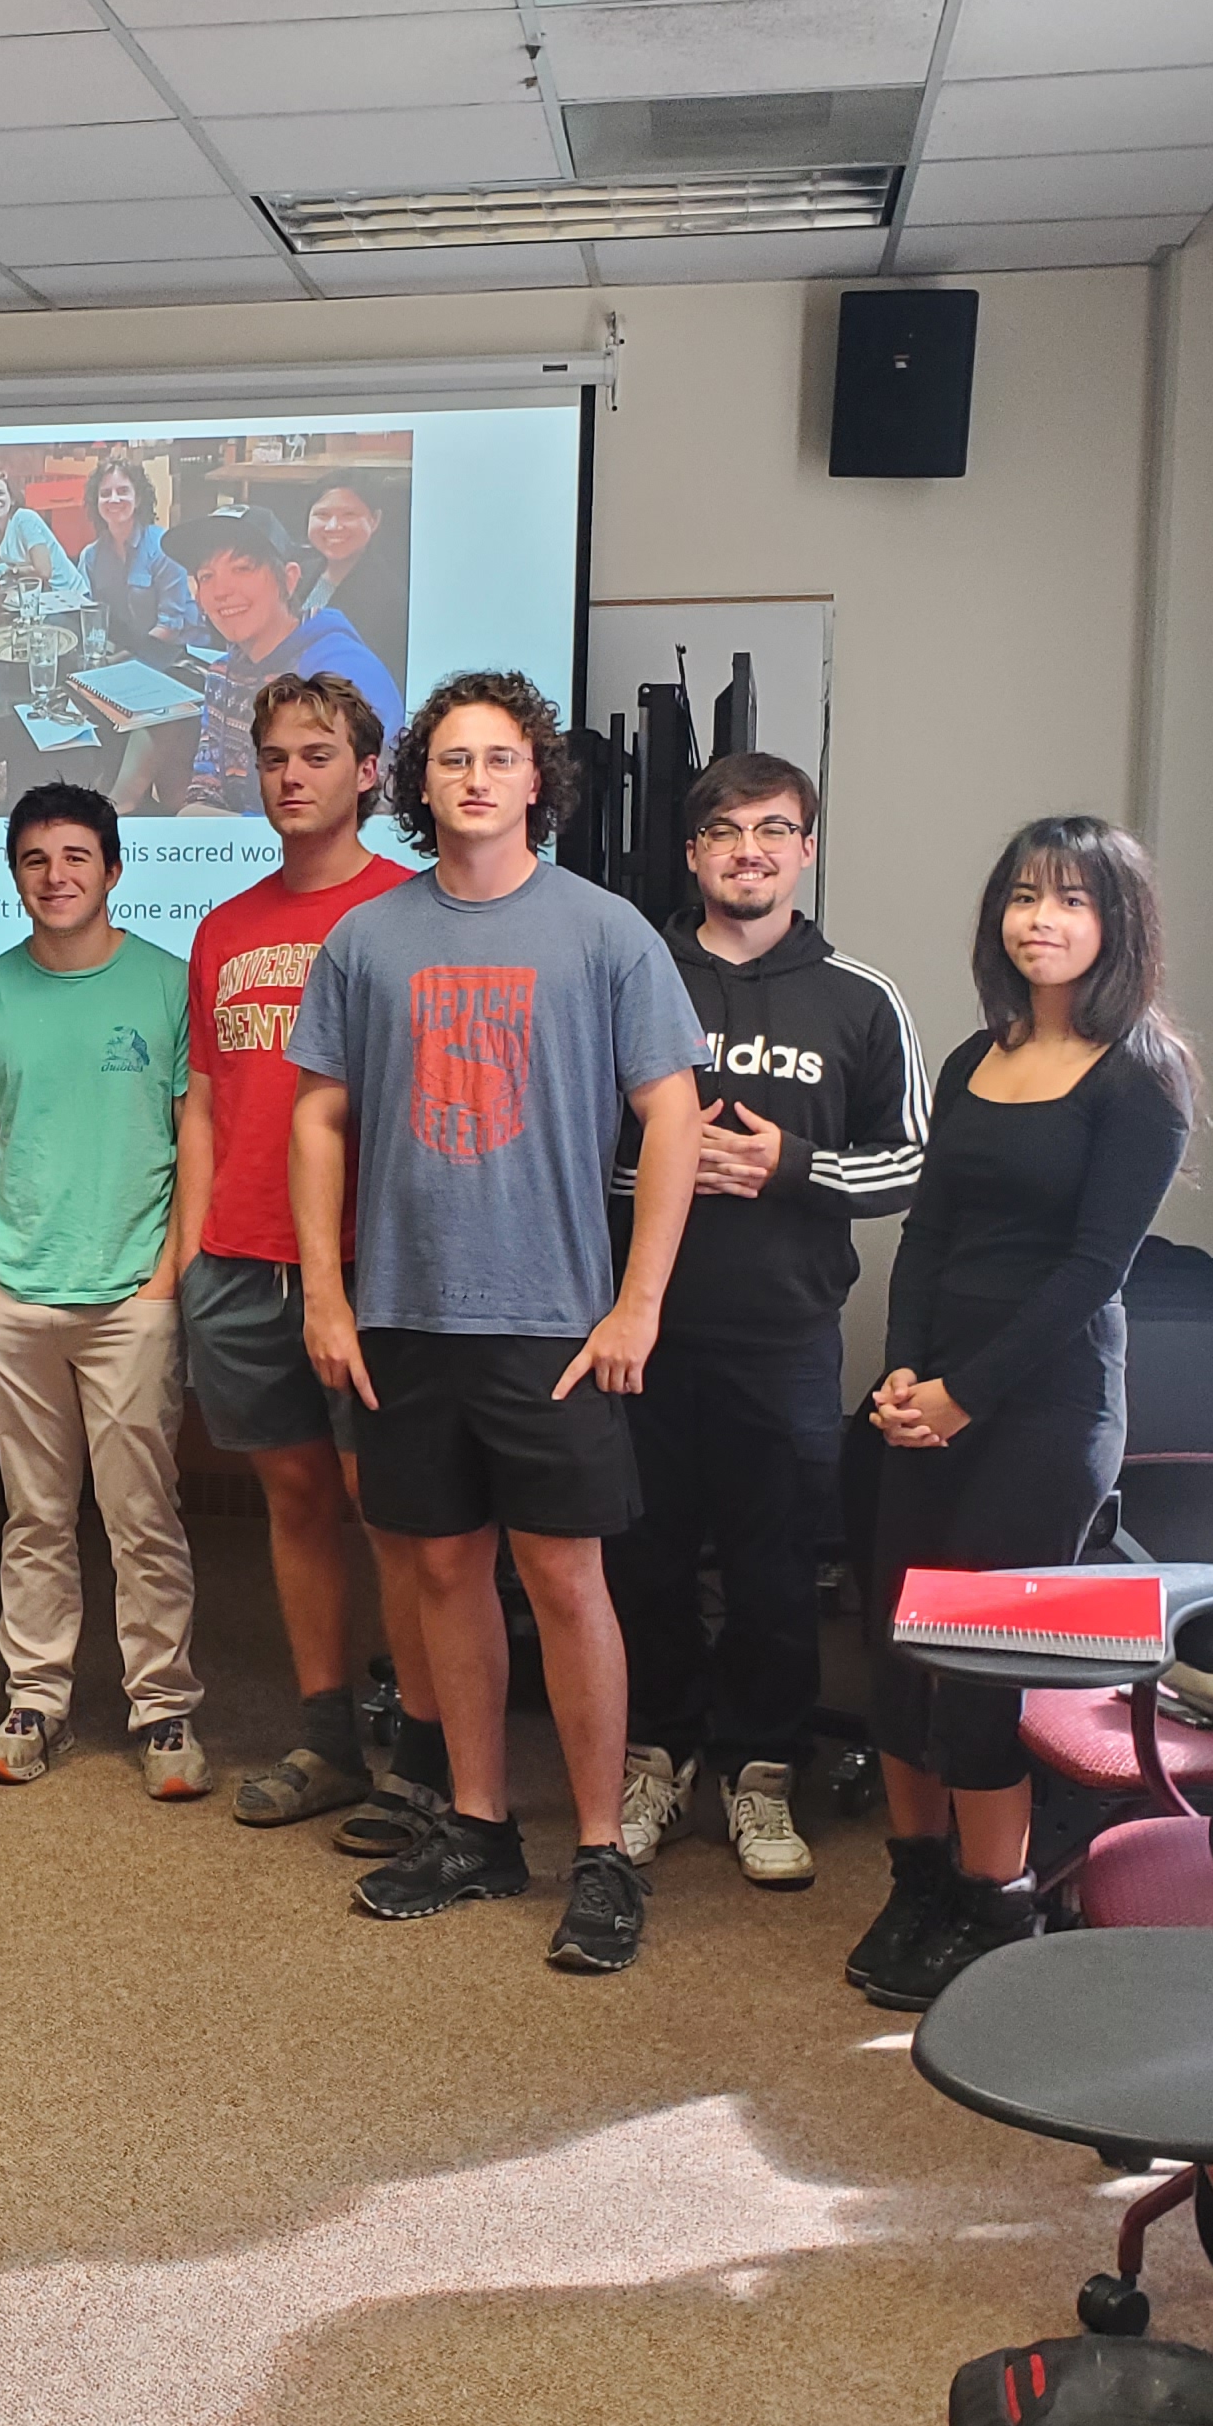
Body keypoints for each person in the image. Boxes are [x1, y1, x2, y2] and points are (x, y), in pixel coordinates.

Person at [289, 672, 705, 1975]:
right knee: (440, 1572)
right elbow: (316, 1117)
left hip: (556, 1322)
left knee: (567, 1581)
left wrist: (638, 1304)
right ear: (416, 782)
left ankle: (599, 1851)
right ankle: (477, 1826)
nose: (475, 777)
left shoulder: (605, 933)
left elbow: (675, 1117)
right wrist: (323, 1290)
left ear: (539, 783)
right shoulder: (368, 941)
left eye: (501, 757)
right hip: (406, 1314)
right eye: (452, 758)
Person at [850, 815, 1196, 2013]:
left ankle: (995, 1906)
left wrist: (963, 1395)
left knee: (984, 1660)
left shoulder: (1142, 1082)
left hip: (1043, 1408)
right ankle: (919, 1878)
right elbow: (930, 1231)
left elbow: (1090, 1272)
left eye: (1073, 901)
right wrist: (903, 1377)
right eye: (1024, 897)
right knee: (899, 1641)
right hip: (930, 1398)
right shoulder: (973, 1058)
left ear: (1117, 927)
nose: (1041, 920)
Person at [601, 755, 925, 1888]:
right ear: (693, 854)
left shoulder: (860, 996)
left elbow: (916, 1164)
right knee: (640, 1563)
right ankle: (658, 1756)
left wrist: (791, 1164)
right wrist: (672, 1174)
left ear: (806, 849)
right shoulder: (633, 971)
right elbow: (576, 1143)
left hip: (786, 1338)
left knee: (777, 1570)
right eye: (726, 832)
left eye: (773, 831)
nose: (750, 851)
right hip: (641, 1330)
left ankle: (763, 1773)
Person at [168, 671, 443, 1841]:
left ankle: (425, 1757)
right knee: (290, 1499)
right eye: (275, 757)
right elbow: (204, 1103)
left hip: (369, 1274)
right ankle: (327, 1738)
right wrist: (189, 1261)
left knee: (400, 1515)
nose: (291, 777)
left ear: (370, 773)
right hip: (238, 1262)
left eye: (317, 756)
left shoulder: (410, 914)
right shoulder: (224, 926)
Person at [0, 782, 204, 1796]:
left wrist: (164, 1277)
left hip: (132, 1295)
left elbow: (196, 1141)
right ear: (16, 875)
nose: (56, 878)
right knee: (35, 1513)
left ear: (113, 870)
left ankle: (166, 1708)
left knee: (144, 1513)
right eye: (35, 861)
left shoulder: (168, 988)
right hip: (16, 1294)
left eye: (75, 859)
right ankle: (36, 1697)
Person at [164, 507, 402, 816]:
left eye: (243, 569)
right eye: (207, 576)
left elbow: (349, 813)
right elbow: (207, 783)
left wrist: (229, 829)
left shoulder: (341, 674)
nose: (221, 591)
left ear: (289, 580)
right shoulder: (222, 672)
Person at [80, 445, 207, 672]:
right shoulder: (91, 556)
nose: (114, 499)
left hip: (177, 658)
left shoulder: (164, 548)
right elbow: (96, 620)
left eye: (123, 491)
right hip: (126, 657)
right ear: (96, 503)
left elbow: (169, 628)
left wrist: (115, 662)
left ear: (137, 499)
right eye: (105, 493)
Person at [299, 480, 409, 693]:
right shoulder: (300, 573)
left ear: (375, 520)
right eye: (322, 515)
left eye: (348, 515)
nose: (333, 526)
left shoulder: (389, 596)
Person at [0, 465, 83, 595]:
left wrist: (10, 570)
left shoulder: (24, 519)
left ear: (12, 499)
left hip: (68, 595)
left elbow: (43, 572)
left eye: (0, 493)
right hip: (34, 595)